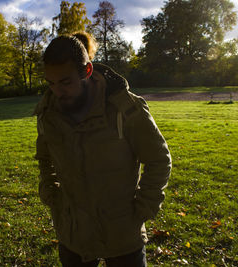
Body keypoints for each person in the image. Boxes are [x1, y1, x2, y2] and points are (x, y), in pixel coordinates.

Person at [34, 31, 172, 267]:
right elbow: (45, 157)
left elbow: (158, 158)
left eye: (65, 82)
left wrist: (143, 209)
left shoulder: (124, 109)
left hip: (123, 235)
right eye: (51, 83)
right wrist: (52, 196)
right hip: (73, 234)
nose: (57, 91)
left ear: (87, 72)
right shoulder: (49, 113)